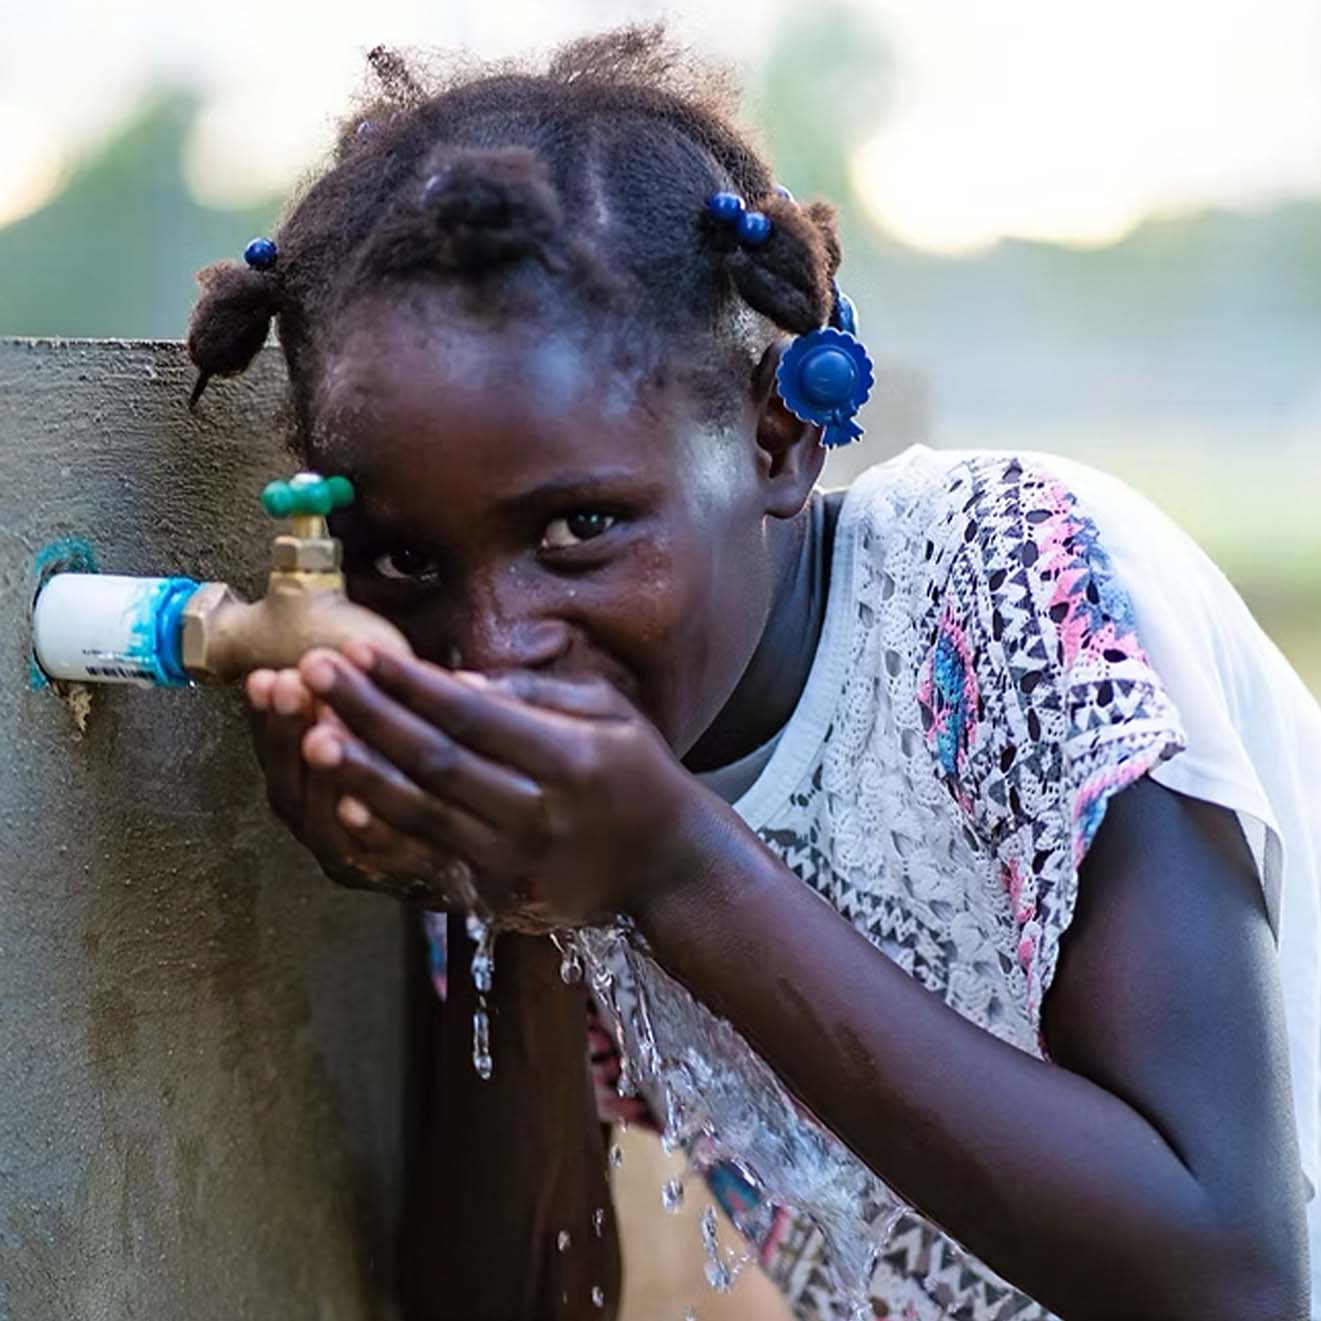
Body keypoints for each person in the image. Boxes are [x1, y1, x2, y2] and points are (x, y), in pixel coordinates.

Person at [186, 27, 1319, 1321]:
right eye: (400, 560)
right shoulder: (558, 780)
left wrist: (677, 868)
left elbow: (1237, 1283)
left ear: (775, 438)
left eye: (579, 530)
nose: (493, 647)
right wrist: (496, 890)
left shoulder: (1019, 586)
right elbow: (507, 1297)